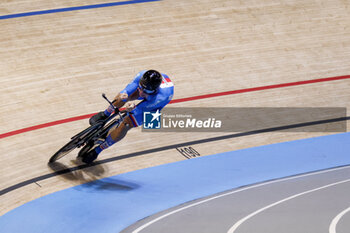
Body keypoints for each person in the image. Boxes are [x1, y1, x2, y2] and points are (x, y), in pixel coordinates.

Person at [79, 70, 174, 164]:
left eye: (146, 91)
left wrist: (131, 110)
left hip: (154, 105)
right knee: (123, 97)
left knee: (127, 123)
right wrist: (124, 97)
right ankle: (105, 114)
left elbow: (138, 110)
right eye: (141, 88)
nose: (142, 93)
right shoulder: (141, 76)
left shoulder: (160, 97)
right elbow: (126, 91)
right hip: (148, 90)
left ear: (154, 90)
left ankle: (98, 150)